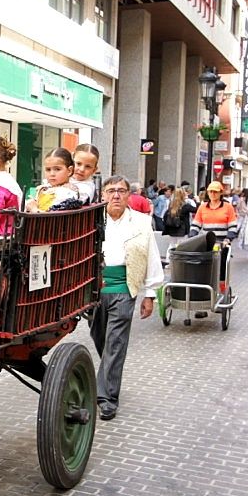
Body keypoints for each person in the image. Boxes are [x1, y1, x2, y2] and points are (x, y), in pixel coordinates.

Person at [90, 177, 161, 421]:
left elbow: (152, 256)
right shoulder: (93, 219)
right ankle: (108, 373)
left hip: (124, 287)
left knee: (115, 342)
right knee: (99, 337)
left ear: (130, 196)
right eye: (111, 191)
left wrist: (150, 294)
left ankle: (107, 398)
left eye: (122, 191)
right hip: (96, 289)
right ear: (103, 195)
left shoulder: (141, 222)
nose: (116, 196)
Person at [25, 147, 87, 211]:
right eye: (48, 169)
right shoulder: (45, 188)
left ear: (69, 171)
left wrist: (34, 209)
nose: (52, 174)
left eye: (57, 169)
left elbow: (52, 218)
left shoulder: (67, 193)